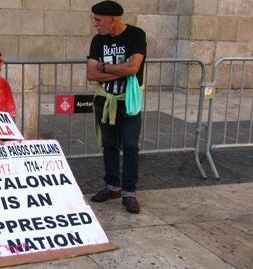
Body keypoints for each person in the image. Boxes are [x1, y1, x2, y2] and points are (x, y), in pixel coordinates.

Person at [86, 0, 147, 214]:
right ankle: (112, 187)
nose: (95, 23)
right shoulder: (98, 41)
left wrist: (104, 66)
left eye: (98, 19)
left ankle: (129, 193)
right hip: (105, 100)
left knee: (130, 145)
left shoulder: (136, 35)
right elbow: (91, 74)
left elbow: (134, 67)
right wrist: (121, 70)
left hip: (127, 101)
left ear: (112, 19)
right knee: (109, 145)